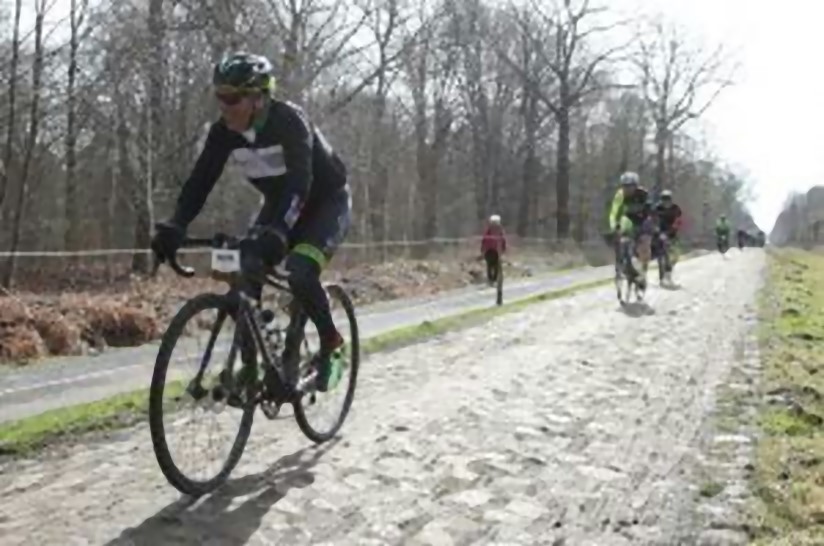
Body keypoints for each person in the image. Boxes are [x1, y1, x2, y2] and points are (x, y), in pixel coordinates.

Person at [150, 52, 350, 393]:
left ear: (258, 98)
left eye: (232, 98)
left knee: (301, 272)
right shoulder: (224, 133)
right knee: (245, 270)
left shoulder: (290, 122)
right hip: (280, 204)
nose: (224, 107)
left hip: (324, 204)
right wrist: (176, 226)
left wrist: (279, 230)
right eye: (219, 97)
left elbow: (300, 183)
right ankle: (253, 366)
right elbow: (199, 183)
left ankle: (332, 344)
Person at [608, 171, 652, 283]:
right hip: (628, 219)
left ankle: (643, 271)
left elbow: (650, 212)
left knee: (645, 243)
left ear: (636, 186)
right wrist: (614, 225)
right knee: (622, 235)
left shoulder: (643, 194)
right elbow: (614, 212)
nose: (627, 189)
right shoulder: (620, 195)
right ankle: (624, 261)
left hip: (643, 219)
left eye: (630, 186)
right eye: (624, 186)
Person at [653, 189, 683, 277]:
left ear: (671, 200)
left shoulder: (676, 209)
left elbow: (679, 220)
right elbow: (652, 219)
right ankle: (661, 266)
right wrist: (655, 228)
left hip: (672, 233)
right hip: (660, 232)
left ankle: (671, 264)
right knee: (658, 248)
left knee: (676, 253)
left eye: (667, 200)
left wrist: (675, 227)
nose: (666, 202)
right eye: (663, 200)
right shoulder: (657, 208)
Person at [481, 214, 507, 285]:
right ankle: (491, 279)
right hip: (490, 250)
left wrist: (503, 247)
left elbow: (503, 240)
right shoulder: (489, 230)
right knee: (491, 265)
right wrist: (483, 248)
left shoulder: (498, 231)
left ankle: (493, 279)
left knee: (495, 265)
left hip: (495, 250)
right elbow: (484, 240)